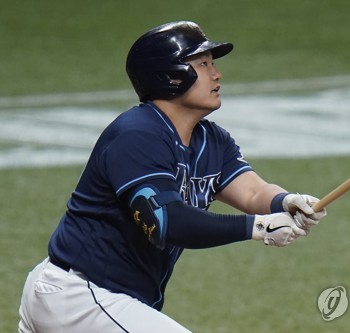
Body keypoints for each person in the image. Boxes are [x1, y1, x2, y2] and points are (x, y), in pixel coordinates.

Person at [18, 21, 327, 333]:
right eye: (203, 64)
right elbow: (166, 222)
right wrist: (259, 228)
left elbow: (250, 192)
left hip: (97, 298)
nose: (217, 74)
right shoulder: (137, 134)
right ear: (170, 76)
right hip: (81, 297)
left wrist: (285, 201)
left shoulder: (211, 139)